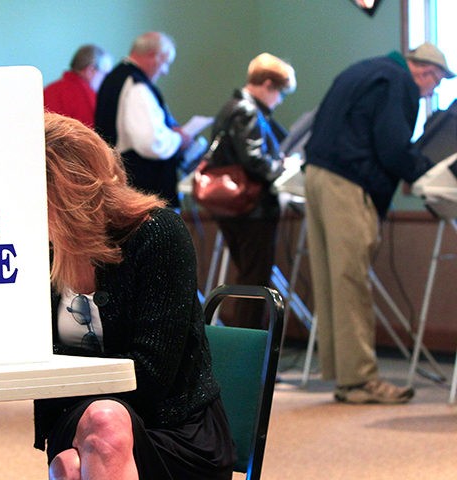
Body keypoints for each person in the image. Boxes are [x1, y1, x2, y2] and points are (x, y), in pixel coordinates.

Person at [33, 112, 236, 480]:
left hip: (174, 426)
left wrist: (54, 366)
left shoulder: (157, 234)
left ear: (67, 196)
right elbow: (24, 350)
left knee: (82, 453)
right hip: (77, 417)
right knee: (87, 440)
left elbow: (151, 375)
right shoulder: (39, 249)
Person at [303, 42, 454, 404]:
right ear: (426, 72)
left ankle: (342, 374)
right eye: (436, 83)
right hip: (348, 184)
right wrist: (424, 173)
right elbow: (391, 144)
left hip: (316, 176)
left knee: (331, 279)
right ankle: (360, 381)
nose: (432, 90)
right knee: (351, 280)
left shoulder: (363, 68)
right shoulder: (399, 81)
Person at [209, 53, 296, 329]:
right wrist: (282, 169)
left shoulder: (229, 107)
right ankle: (252, 356)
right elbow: (254, 159)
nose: (279, 100)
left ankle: (246, 353)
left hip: (231, 207)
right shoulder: (248, 111)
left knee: (247, 278)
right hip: (253, 208)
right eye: (280, 93)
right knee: (255, 284)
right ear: (268, 84)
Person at [94, 31, 192, 208]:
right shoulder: (136, 85)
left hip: (119, 180)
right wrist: (178, 139)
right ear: (153, 56)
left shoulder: (114, 78)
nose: (165, 71)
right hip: (142, 189)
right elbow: (150, 143)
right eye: (165, 63)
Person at [44, 44, 113, 128]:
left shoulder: (49, 89)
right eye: (105, 74)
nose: (106, 79)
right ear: (90, 70)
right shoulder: (86, 96)